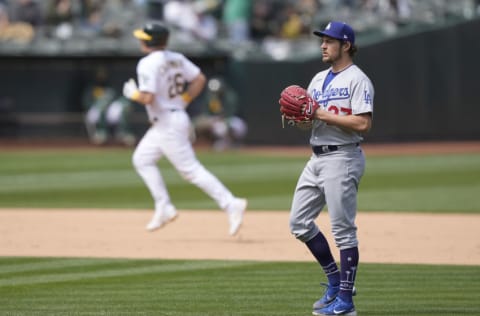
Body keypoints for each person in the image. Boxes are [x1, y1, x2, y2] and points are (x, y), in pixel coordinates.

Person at [122, 22, 247, 236]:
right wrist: (185, 99)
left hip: (167, 123)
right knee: (142, 159)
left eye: (143, 37)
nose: (140, 40)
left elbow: (148, 97)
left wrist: (133, 94)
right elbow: (199, 79)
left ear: (149, 41)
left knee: (191, 170)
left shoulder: (147, 63)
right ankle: (164, 206)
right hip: (171, 118)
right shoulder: (176, 58)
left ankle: (230, 203)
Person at [287, 21, 374, 315]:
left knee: (343, 232)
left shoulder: (357, 79)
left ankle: (346, 302)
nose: (323, 45)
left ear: (346, 45)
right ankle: (335, 282)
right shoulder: (317, 79)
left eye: (329, 41)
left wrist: (319, 112)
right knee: (299, 223)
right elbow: (310, 121)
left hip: (343, 158)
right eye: (322, 40)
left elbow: (363, 123)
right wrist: (301, 119)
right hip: (317, 158)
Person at [193, 76, 248, 151]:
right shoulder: (211, 97)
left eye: (217, 91)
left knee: (222, 127)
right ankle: (213, 142)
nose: (215, 93)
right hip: (217, 121)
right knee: (200, 123)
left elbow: (230, 114)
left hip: (235, 122)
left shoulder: (230, 96)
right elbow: (207, 113)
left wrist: (218, 119)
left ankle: (231, 142)